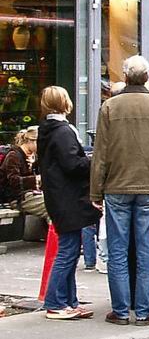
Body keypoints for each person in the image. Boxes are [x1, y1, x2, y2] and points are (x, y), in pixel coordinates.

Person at [90, 55, 149, 326]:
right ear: (148, 77)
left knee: (117, 251)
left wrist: (96, 191)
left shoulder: (110, 107)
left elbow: (100, 154)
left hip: (117, 186)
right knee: (146, 250)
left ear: (125, 77)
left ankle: (120, 310)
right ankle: (144, 310)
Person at [38, 86, 100, 319]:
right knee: (67, 252)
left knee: (70, 250)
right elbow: (73, 165)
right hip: (69, 198)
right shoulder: (63, 131)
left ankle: (69, 301)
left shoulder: (48, 129)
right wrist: (94, 160)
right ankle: (55, 302)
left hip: (58, 196)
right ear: (64, 102)